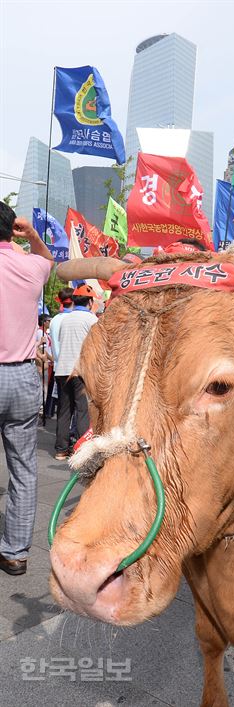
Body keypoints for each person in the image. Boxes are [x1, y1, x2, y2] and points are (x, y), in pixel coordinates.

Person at [0, 203, 53, 575]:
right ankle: (16, 552)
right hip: (21, 376)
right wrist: (32, 234)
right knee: (23, 469)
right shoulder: (32, 267)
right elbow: (47, 259)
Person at [54, 284, 98, 460]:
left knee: (64, 411)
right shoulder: (92, 320)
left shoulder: (65, 319)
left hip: (62, 370)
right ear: (89, 301)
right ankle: (82, 450)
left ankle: (60, 450)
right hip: (81, 371)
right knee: (82, 410)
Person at [47, 287, 74, 417]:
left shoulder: (54, 320)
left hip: (58, 367)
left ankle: (61, 436)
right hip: (73, 367)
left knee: (63, 407)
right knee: (77, 408)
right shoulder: (73, 318)